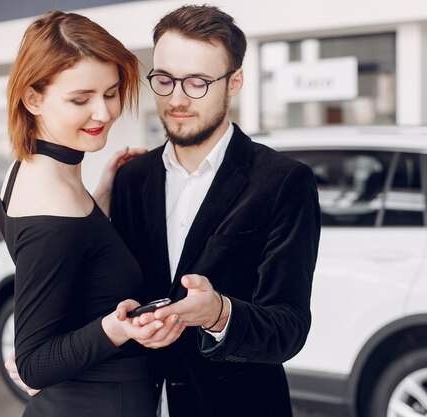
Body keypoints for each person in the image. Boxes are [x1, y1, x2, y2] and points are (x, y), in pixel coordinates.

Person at [110, 5, 321, 417]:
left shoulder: (283, 181)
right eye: (165, 80)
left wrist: (219, 313)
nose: (177, 99)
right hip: (138, 402)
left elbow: (289, 327)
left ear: (235, 81)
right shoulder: (131, 178)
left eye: (198, 83)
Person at [0, 10, 185, 417]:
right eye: (80, 100)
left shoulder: (30, 167)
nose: (103, 113)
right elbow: (32, 363)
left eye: (112, 92)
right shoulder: (53, 206)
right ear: (33, 98)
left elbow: (73, 259)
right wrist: (119, 327)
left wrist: (100, 195)